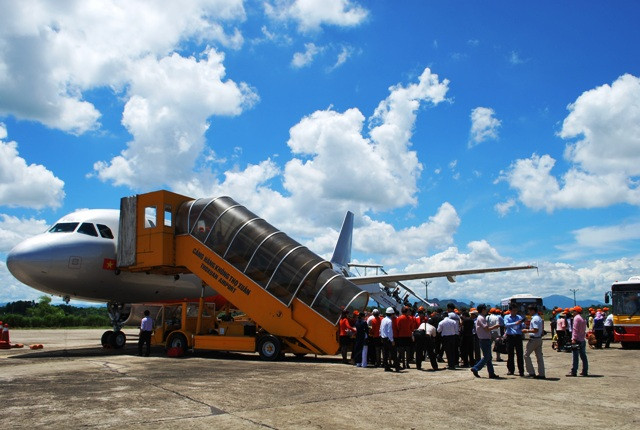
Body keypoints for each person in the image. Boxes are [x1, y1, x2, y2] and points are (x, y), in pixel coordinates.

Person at [470, 304, 500, 379]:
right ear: (483, 310)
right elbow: (486, 329)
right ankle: (476, 368)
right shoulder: (481, 318)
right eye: (485, 309)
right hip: (484, 339)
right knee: (487, 356)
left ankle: (491, 373)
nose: (486, 310)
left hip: (484, 338)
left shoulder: (481, 317)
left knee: (489, 357)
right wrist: (495, 326)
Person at [522, 305, 545, 379]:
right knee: (539, 356)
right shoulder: (539, 318)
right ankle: (541, 373)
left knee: (526, 355)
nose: (528, 312)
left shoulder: (534, 319)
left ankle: (531, 372)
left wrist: (526, 330)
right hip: (539, 338)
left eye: (529, 310)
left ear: (532, 310)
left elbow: (535, 330)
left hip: (534, 339)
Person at [503, 304, 525, 376]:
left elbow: (522, 326)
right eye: (513, 310)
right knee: (510, 354)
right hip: (510, 336)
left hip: (518, 336)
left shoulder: (519, 317)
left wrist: (523, 324)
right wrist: (515, 323)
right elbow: (506, 324)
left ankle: (521, 371)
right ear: (510, 310)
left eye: (516, 310)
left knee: (520, 354)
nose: (515, 312)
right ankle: (511, 370)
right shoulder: (507, 317)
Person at [567, 306, 588, 377]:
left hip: (577, 340)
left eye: (573, 311)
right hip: (582, 339)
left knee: (575, 356)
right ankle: (585, 371)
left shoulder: (576, 318)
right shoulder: (583, 318)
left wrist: (574, 339)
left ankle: (574, 371)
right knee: (583, 356)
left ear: (576, 311)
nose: (572, 313)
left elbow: (575, 330)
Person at [380, 307, 400, 372]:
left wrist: (381, 336)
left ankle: (386, 367)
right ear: (391, 314)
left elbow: (381, 329)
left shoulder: (383, 319)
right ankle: (397, 367)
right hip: (388, 339)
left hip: (383, 338)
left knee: (385, 354)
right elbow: (390, 332)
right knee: (394, 353)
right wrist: (392, 340)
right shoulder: (389, 321)